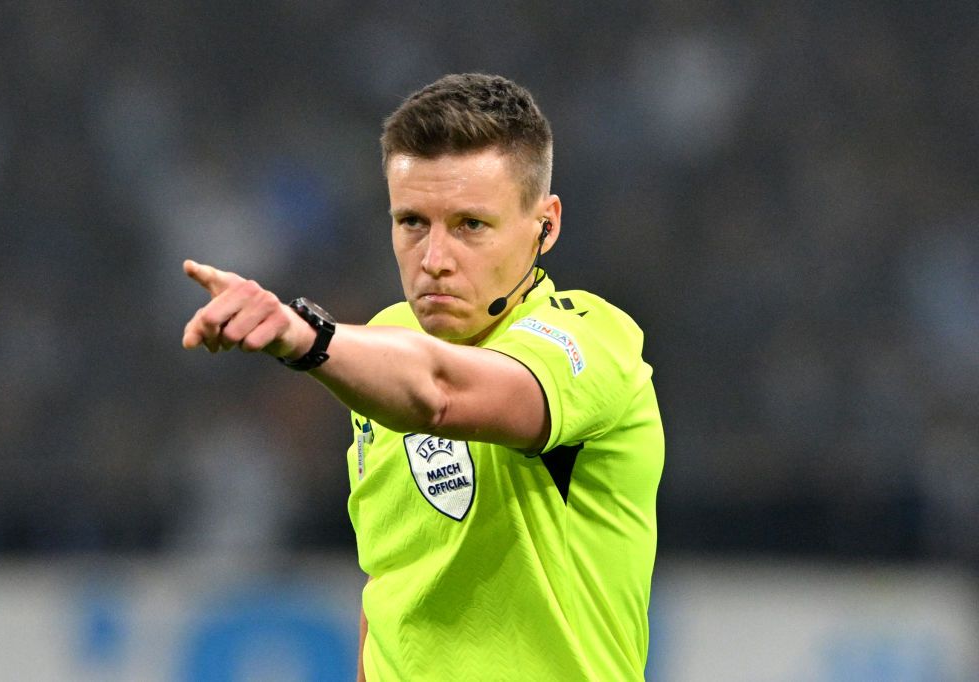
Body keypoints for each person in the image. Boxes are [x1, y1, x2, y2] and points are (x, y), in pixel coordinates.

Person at [182, 73, 664, 681]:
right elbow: (395, 577)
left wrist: (306, 337)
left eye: (470, 225)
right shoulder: (380, 346)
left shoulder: (594, 340)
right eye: (412, 222)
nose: (435, 260)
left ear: (546, 224)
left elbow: (440, 393)